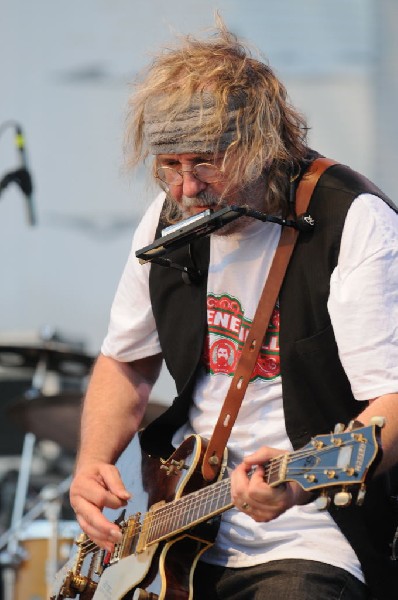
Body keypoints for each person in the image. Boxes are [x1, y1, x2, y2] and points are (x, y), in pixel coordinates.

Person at [69, 19, 398, 600]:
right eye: (170, 164)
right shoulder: (169, 220)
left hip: (311, 536)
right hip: (182, 534)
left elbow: (392, 402)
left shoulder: (353, 220)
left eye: (205, 161)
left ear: (263, 146)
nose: (185, 188)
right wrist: (93, 461)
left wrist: (295, 487)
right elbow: (125, 360)